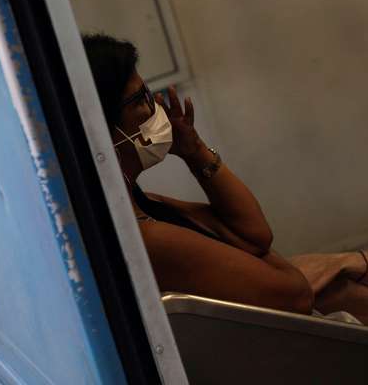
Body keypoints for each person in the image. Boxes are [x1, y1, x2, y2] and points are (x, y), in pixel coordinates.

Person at [83, 33, 313, 314]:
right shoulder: (144, 238)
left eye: (149, 93)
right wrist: (261, 260)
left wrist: (194, 151)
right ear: (100, 128)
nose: (154, 107)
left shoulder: (140, 203)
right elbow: (297, 295)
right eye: (138, 100)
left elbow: (254, 235)